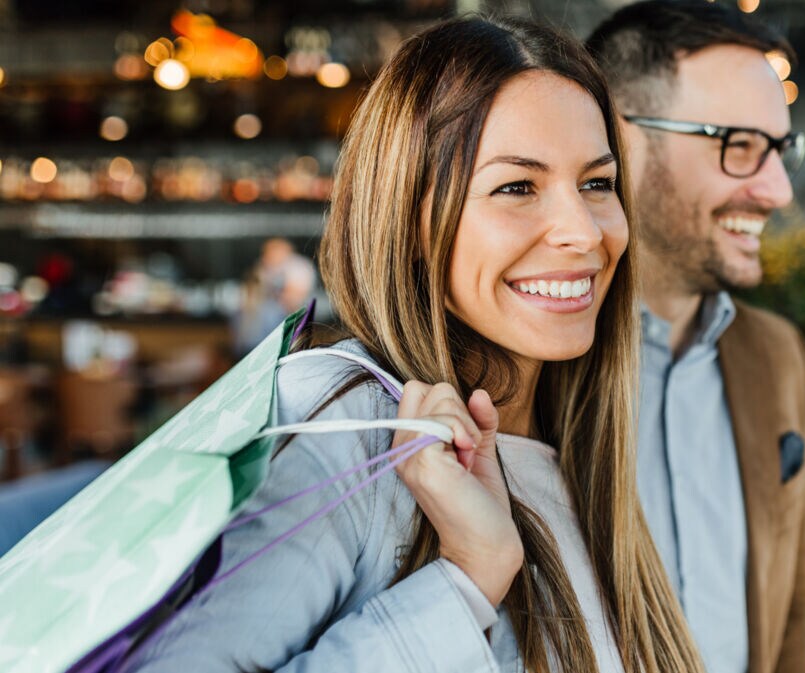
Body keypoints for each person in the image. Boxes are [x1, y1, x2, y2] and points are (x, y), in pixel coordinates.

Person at [127, 16, 703, 673]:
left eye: (597, 183)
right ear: (409, 220)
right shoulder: (341, 429)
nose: (584, 231)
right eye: (517, 187)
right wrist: (464, 583)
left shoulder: (587, 436)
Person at [587, 3, 805, 672]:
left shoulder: (777, 354)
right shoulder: (533, 364)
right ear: (620, 141)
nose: (777, 191)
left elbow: (796, 593)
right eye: (738, 145)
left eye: (779, 151)